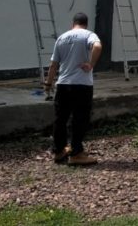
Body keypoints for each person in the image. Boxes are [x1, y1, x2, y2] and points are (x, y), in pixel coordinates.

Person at [44, 12, 102, 166]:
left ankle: (58, 151)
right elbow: (97, 46)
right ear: (86, 24)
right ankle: (76, 153)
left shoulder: (62, 38)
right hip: (81, 84)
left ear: (73, 23)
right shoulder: (89, 35)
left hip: (62, 84)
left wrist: (48, 84)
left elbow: (53, 65)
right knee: (79, 118)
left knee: (60, 119)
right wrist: (90, 64)